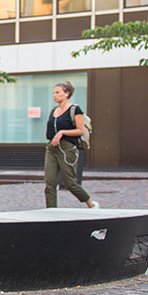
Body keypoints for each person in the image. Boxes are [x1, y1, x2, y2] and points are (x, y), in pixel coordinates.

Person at [45, 80, 99, 210]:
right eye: (54, 93)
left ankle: (90, 203)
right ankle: (51, 211)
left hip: (67, 148)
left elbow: (80, 130)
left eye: (58, 92)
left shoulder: (75, 110)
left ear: (66, 94)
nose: (55, 95)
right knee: (49, 183)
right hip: (52, 148)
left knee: (70, 183)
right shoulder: (54, 110)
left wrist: (62, 132)